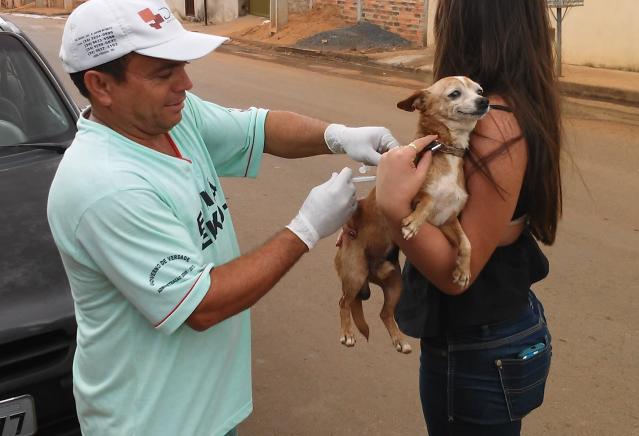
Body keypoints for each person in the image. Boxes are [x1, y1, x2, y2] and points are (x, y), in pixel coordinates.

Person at [46, 0, 401, 435]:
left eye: (182, 65)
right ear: (101, 86)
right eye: (163, 73)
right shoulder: (104, 185)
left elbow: (258, 129)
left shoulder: (171, 119)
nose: (185, 83)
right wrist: (306, 228)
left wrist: (339, 136)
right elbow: (201, 305)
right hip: (153, 422)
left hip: (209, 412)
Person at [373, 0, 562, 434]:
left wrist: (392, 206)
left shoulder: (492, 122)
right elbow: (443, 203)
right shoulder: (509, 104)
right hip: (497, 331)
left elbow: (456, 273)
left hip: (479, 346)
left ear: (467, 21)